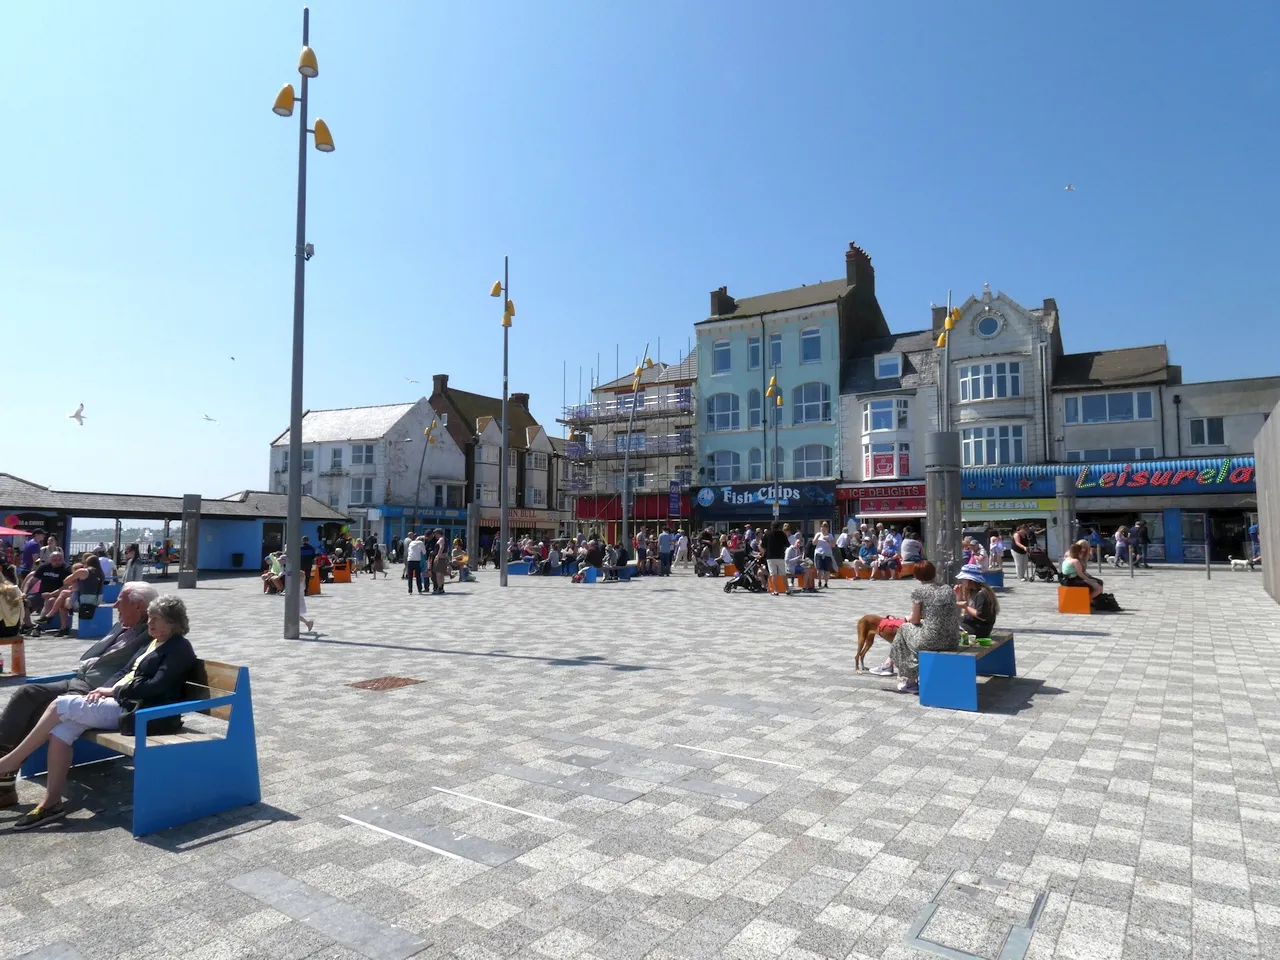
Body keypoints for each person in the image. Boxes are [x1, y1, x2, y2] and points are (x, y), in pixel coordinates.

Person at [0, 592, 196, 829]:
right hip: (121, 704)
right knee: (61, 731)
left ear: (172, 622)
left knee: (60, 705)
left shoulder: (179, 649)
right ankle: (51, 803)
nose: (150, 623)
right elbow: (125, 671)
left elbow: (155, 687)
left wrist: (114, 692)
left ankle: (10, 762)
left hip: (142, 713)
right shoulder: (155, 641)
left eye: (155, 619)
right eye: (150, 618)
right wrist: (104, 689)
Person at [887, 560, 960, 694]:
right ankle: (892, 666)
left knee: (904, 628)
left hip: (932, 640)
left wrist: (909, 618)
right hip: (953, 639)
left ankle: (907, 677)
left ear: (917, 576)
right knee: (911, 636)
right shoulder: (947, 589)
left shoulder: (919, 591)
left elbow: (914, 620)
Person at [955, 564, 999, 638]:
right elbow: (963, 607)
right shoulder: (972, 591)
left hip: (979, 629)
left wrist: (966, 607)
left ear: (970, 580)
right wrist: (958, 595)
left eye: (963, 579)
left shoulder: (982, 593)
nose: (962, 581)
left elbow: (981, 615)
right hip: (971, 625)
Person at [762, 522, 789, 596]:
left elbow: (763, 546)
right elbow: (787, 544)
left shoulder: (767, 534)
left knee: (773, 574)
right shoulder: (782, 533)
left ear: (771, 526)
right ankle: (787, 590)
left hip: (770, 557)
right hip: (780, 556)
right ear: (779, 526)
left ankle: (776, 591)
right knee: (783, 574)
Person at [812, 522, 836, 588]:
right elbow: (814, 543)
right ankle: (819, 581)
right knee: (819, 568)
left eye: (825, 527)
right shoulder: (818, 534)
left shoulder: (830, 535)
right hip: (819, 553)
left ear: (827, 528)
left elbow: (833, 545)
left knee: (827, 570)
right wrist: (817, 537)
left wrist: (828, 540)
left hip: (827, 554)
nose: (823, 528)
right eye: (822, 527)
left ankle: (826, 583)